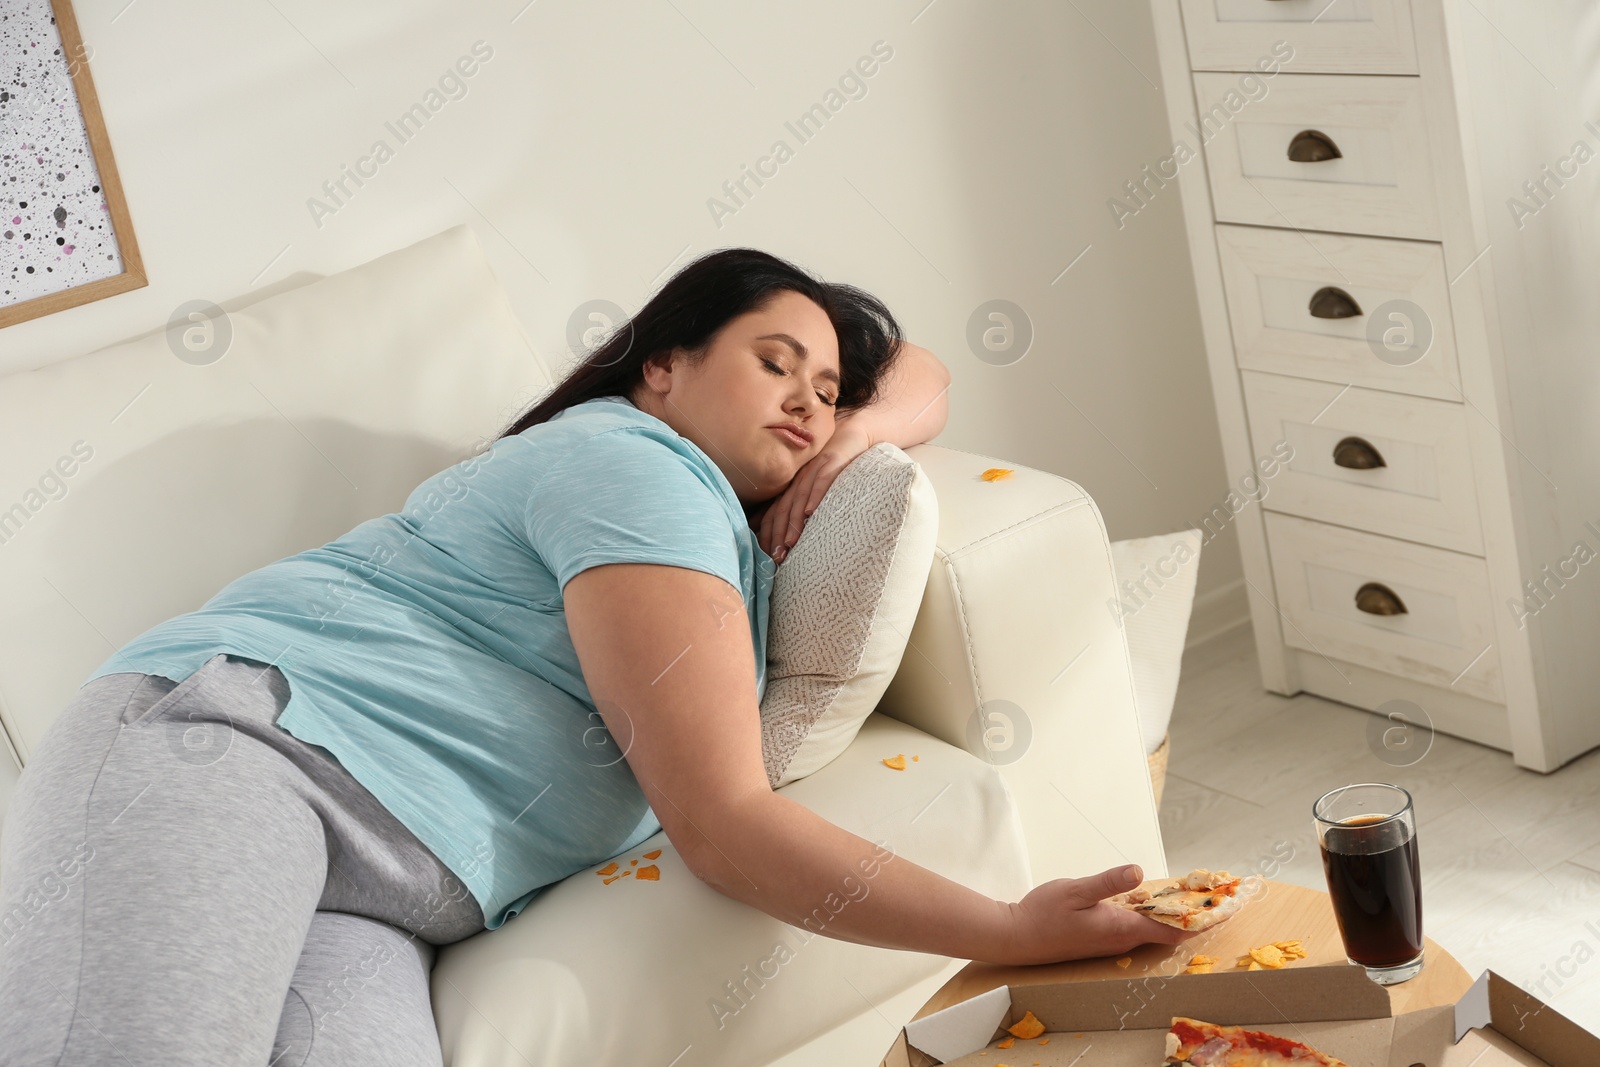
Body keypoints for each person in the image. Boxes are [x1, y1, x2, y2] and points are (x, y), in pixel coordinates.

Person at [0, 248, 1188, 1066]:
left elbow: (920, 369)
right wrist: (1002, 923)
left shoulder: (722, 512)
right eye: (774, 362)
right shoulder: (635, 468)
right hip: (235, 754)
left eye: (827, 390)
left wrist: (859, 429)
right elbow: (721, 824)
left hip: (384, 886)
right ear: (659, 365)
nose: (809, 405)